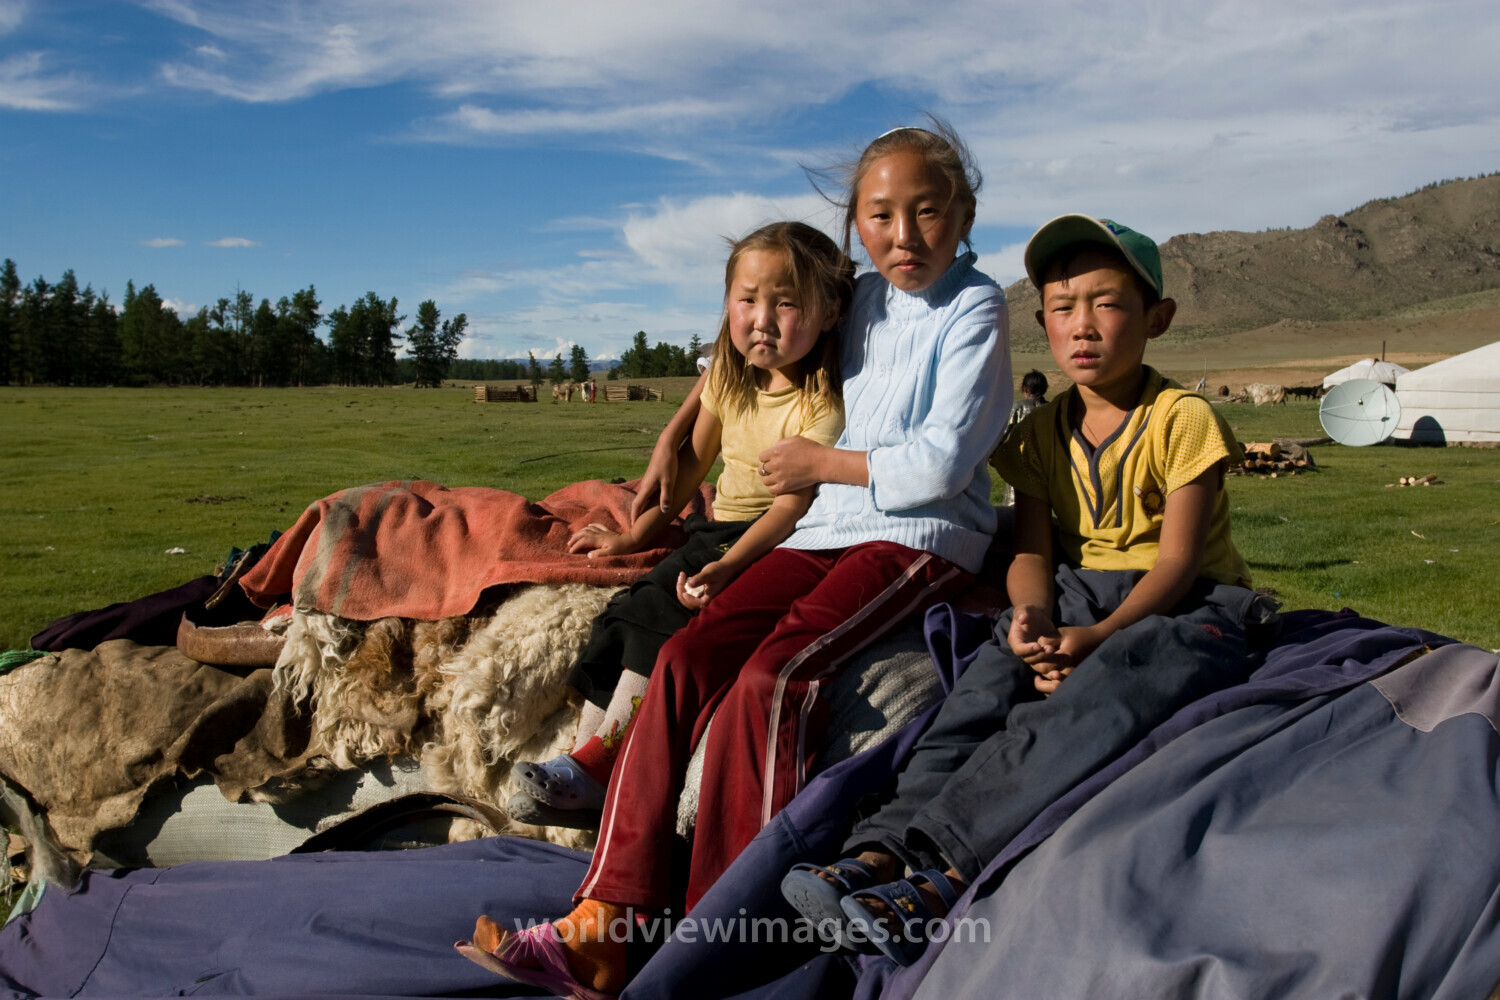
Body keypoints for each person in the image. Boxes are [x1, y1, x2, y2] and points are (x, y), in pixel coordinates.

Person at [459, 120, 1013, 998]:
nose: (905, 234)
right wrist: (678, 439)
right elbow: (750, 343)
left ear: (966, 216)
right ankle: (602, 923)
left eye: (928, 211)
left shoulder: (976, 306)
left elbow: (944, 463)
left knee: (773, 679)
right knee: (684, 659)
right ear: (855, 227)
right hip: (824, 528)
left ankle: (720, 936)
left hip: (919, 535)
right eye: (880, 216)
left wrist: (822, 463)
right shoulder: (858, 299)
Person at [780, 214, 1278, 966]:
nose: (1083, 326)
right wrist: (1032, 615)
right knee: (979, 694)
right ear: (1042, 322)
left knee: (1097, 702)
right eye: (1062, 307)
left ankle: (946, 873)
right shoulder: (1041, 433)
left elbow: (1178, 562)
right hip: (1076, 593)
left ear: (1158, 318)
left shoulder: (1183, 420)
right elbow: (1033, 550)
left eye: (1107, 304)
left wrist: (1099, 639)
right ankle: (875, 852)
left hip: (1188, 605)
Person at [507, 221, 852, 825]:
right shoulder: (732, 379)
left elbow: (790, 508)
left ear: (828, 313)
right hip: (714, 534)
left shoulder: (820, 402)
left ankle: (598, 771)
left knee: (663, 624)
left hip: (772, 543)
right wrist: (634, 536)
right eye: (747, 300)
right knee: (629, 612)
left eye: (786, 303)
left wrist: (729, 565)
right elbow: (692, 466)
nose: (762, 319)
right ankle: (582, 761)